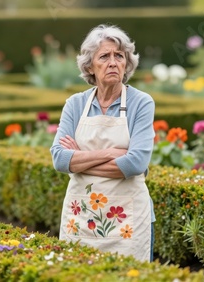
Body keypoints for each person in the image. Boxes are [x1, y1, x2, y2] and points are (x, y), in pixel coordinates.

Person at [50, 24, 156, 262]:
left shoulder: (141, 103)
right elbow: (59, 158)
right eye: (104, 56)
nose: (113, 62)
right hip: (81, 221)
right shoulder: (75, 104)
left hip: (129, 222)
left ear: (127, 64)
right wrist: (111, 152)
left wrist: (80, 160)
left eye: (119, 56)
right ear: (90, 66)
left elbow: (135, 163)